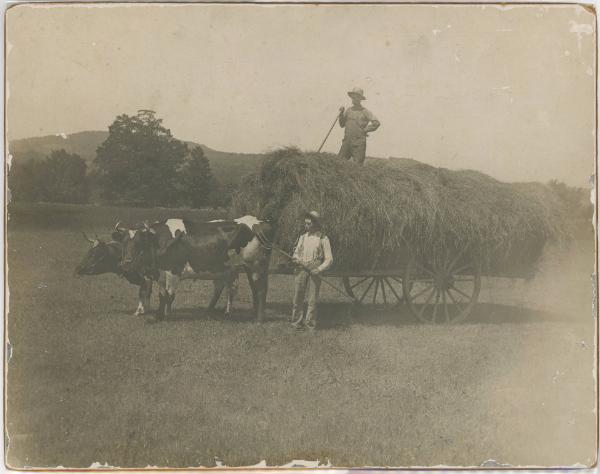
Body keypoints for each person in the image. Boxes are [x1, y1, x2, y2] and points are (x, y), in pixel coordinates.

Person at [290, 211, 333, 330]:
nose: (306, 226)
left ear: (315, 224)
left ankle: (310, 324)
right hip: (301, 268)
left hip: (315, 268)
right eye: (305, 223)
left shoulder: (323, 238)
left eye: (308, 224)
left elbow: (329, 259)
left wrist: (319, 269)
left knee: (312, 299)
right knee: (298, 296)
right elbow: (296, 253)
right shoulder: (302, 238)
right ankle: (296, 323)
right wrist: (297, 259)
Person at [338, 87, 380, 165]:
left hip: (358, 144)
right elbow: (342, 124)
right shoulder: (348, 110)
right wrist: (341, 114)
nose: (353, 99)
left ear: (360, 99)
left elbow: (376, 123)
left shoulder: (365, 111)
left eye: (356, 97)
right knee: (338, 163)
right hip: (346, 142)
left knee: (358, 167)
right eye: (352, 97)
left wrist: (365, 130)